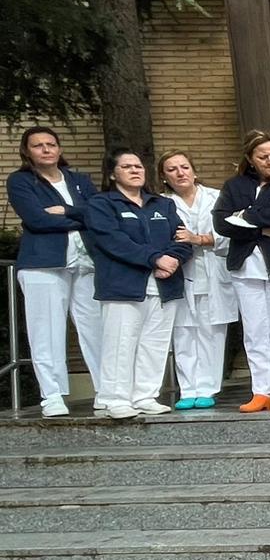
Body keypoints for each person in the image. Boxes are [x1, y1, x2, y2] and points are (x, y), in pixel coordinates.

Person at [83, 150, 192, 419]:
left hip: (164, 285)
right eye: (127, 166)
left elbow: (181, 238)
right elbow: (113, 241)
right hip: (123, 285)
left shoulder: (162, 204)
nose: (135, 170)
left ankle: (145, 395)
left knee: (155, 343)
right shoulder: (101, 204)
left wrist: (173, 260)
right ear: (112, 174)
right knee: (120, 343)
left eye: (138, 166)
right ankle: (115, 398)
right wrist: (155, 258)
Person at [8, 126, 102, 416]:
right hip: (43, 265)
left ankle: (108, 390)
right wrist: (80, 217)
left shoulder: (78, 180)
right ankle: (52, 396)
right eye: (38, 145)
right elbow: (36, 220)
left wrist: (66, 211)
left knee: (97, 328)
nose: (46, 149)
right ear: (27, 151)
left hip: (86, 263)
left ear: (59, 149)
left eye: (51, 144)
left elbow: (99, 213)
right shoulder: (21, 181)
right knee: (46, 331)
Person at [214, 131, 270, 413]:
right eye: (263, 156)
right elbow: (221, 223)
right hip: (245, 266)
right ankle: (261, 390)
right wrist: (265, 227)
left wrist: (246, 216)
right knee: (255, 331)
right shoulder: (235, 185)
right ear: (250, 159)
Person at [158, 151, 235, 409]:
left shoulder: (217, 197)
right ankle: (188, 389)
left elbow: (231, 233)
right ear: (164, 177)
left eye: (184, 167)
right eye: (172, 169)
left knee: (212, 334)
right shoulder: (161, 204)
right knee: (183, 333)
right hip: (181, 274)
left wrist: (198, 239)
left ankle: (207, 388)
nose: (180, 173)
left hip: (214, 271)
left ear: (194, 171)